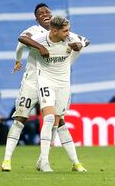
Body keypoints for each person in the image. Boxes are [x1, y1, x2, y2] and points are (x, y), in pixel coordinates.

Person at [1, 4, 88, 172]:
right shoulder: (33, 32)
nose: (45, 14)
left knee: (57, 120)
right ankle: (7, 160)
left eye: (47, 11)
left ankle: (45, 159)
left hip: (53, 81)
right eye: (40, 13)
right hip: (32, 81)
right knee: (20, 118)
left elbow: (83, 41)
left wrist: (76, 50)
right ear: (37, 19)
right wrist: (18, 60)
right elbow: (20, 44)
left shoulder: (64, 34)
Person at [29, 15, 87, 172]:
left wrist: (80, 44)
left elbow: (86, 40)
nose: (68, 34)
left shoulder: (70, 38)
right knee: (48, 119)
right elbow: (22, 38)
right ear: (54, 30)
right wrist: (40, 48)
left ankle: (73, 163)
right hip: (45, 81)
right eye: (65, 31)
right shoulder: (40, 39)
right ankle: (45, 162)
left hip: (63, 84)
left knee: (59, 122)